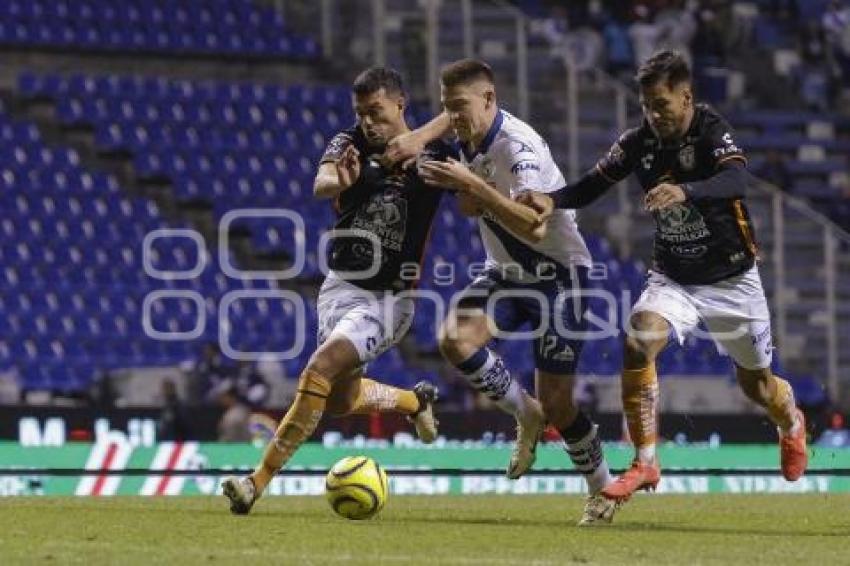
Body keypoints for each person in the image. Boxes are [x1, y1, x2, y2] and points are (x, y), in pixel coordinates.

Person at [518, 50, 808, 502]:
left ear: (686, 97)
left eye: (662, 105)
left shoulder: (712, 129)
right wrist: (553, 200)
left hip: (732, 280)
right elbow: (594, 183)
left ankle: (791, 423)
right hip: (674, 278)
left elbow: (738, 183)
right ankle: (645, 462)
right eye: (647, 106)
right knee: (637, 341)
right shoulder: (639, 142)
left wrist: (685, 190)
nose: (654, 115)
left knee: (759, 387)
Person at [393, 59, 619, 525]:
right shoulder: (467, 130)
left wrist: (472, 185)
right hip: (509, 273)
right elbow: (457, 131)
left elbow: (535, 227)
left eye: (460, 108)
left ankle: (603, 489)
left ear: (490, 100)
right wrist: (423, 140)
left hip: (559, 275)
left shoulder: (518, 149)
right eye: (446, 108)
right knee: (455, 339)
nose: (453, 118)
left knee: (560, 402)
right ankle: (526, 415)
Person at [221, 67, 451, 514]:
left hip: (389, 299)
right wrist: (346, 180)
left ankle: (256, 481)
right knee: (341, 401)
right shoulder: (350, 143)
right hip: (339, 288)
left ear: (400, 105)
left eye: (377, 112)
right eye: (362, 113)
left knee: (319, 370)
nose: (369, 122)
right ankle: (412, 400)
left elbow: (460, 112)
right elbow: (321, 182)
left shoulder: (434, 152)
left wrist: (419, 139)